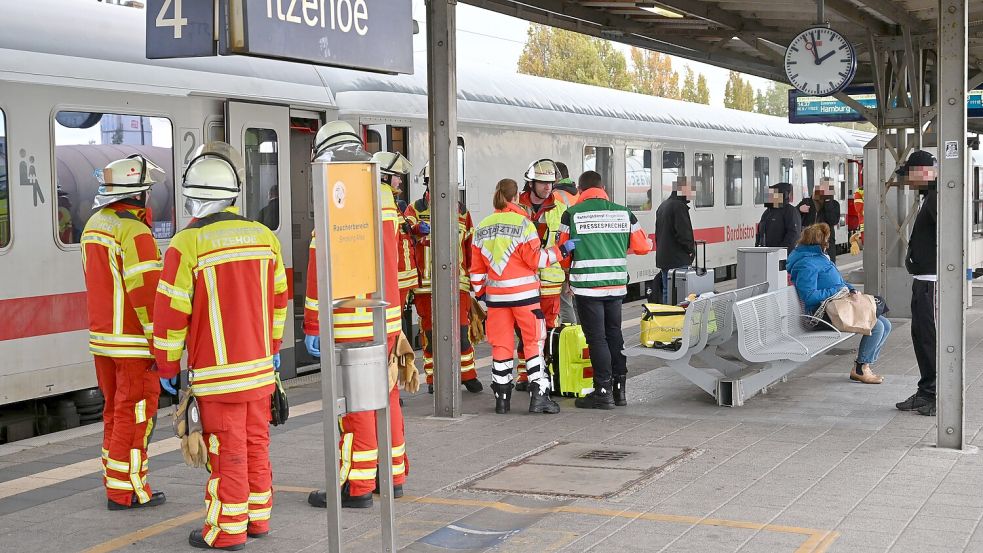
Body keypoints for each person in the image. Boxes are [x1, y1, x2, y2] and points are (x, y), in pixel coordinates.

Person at [153, 142, 288, 550]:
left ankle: (227, 530)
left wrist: (167, 367)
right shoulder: (264, 236)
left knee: (226, 451)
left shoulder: (186, 244)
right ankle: (257, 518)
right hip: (261, 370)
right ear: (232, 193)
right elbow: (279, 300)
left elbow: (170, 316)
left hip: (218, 376)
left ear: (192, 195)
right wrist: (273, 348)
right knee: (255, 444)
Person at [303, 122, 408, 510]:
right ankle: (392, 476)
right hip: (389, 318)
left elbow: (321, 263)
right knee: (388, 396)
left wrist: (313, 323)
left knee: (356, 403)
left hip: (351, 317)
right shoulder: (383, 196)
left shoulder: (336, 195)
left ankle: (357, 486)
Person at [80, 154, 166, 511]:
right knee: (135, 414)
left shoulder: (93, 226)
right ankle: (127, 490)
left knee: (115, 413)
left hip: (103, 340)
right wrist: (160, 344)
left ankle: (114, 479)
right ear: (139, 195)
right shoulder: (134, 232)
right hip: (132, 344)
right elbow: (146, 295)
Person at [470, 178, 573, 415]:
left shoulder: (482, 227)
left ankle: (502, 399)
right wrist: (562, 250)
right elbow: (536, 260)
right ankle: (539, 397)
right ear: (516, 197)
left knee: (501, 346)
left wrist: (482, 293)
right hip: (525, 298)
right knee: (533, 343)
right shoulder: (524, 225)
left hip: (496, 300)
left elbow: (475, 271)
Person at [558, 171, 651, 409]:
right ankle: (620, 392)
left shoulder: (572, 214)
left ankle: (602, 391)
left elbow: (563, 254)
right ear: (603, 187)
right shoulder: (624, 212)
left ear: (580, 190)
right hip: (617, 286)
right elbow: (643, 247)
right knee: (614, 335)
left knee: (596, 338)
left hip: (588, 288)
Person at [403, 162, 481, 393]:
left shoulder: (462, 211)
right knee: (430, 333)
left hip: (458, 283)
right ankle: (434, 378)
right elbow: (405, 238)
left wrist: (475, 278)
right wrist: (417, 231)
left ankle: (467, 375)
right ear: (428, 183)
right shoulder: (414, 209)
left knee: (462, 331)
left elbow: (470, 247)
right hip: (426, 286)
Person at [787, 223, 890, 384]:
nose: (829, 243)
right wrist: (836, 290)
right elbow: (809, 296)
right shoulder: (806, 264)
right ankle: (861, 368)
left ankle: (865, 364)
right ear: (820, 242)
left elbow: (839, 281)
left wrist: (851, 289)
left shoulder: (819, 258)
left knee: (886, 324)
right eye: (827, 240)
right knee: (877, 327)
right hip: (818, 316)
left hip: (834, 308)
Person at [515, 159, 567, 389]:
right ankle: (524, 375)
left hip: (550, 281)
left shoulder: (561, 209)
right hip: (522, 280)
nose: (548, 188)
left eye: (551, 183)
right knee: (523, 329)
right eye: (543, 183)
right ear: (531, 183)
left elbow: (566, 246)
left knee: (546, 328)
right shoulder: (516, 207)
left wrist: (569, 276)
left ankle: (543, 374)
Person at [895, 150, 938, 417]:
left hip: (932, 282)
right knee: (921, 337)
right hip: (923, 281)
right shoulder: (929, 197)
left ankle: (933, 395)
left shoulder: (937, 198)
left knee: (930, 339)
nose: (908, 182)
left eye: (910, 175)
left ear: (923, 172)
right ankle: (926, 391)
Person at [372, 152, 419, 311]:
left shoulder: (390, 201)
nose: (399, 181)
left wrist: (416, 229)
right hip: (396, 276)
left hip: (400, 276)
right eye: (396, 176)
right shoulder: (384, 200)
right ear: (385, 177)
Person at [655, 176, 696, 304]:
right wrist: (690, 250)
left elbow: (658, 234)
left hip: (664, 258)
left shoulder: (663, 206)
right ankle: (679, 322)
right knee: (681, 293)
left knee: (668, 291)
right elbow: (684, 233)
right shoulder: (679, 207)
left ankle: (669, 320)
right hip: (678, 259)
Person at [552, 161, 579, 324]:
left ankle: (571, 335)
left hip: (565, 252)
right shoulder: (578, 194)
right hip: (582, 252)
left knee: (565, 302)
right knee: (580, 301)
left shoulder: (555, 196)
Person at [796, 178, 840, 262]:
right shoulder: (807, 202)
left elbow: (833, 220)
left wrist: (828, 202)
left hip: (826, 243)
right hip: (809, 242)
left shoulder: (834, 204)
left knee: (827, 268)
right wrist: (799, 209)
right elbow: (794, 215)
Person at [755, 182, 801, 252]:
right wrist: (757, 249)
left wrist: (781, 252)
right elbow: (760, 232)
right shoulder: (767, 212)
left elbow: (793, 234)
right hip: (766, 254)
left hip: (782, 256)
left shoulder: (790, 211)